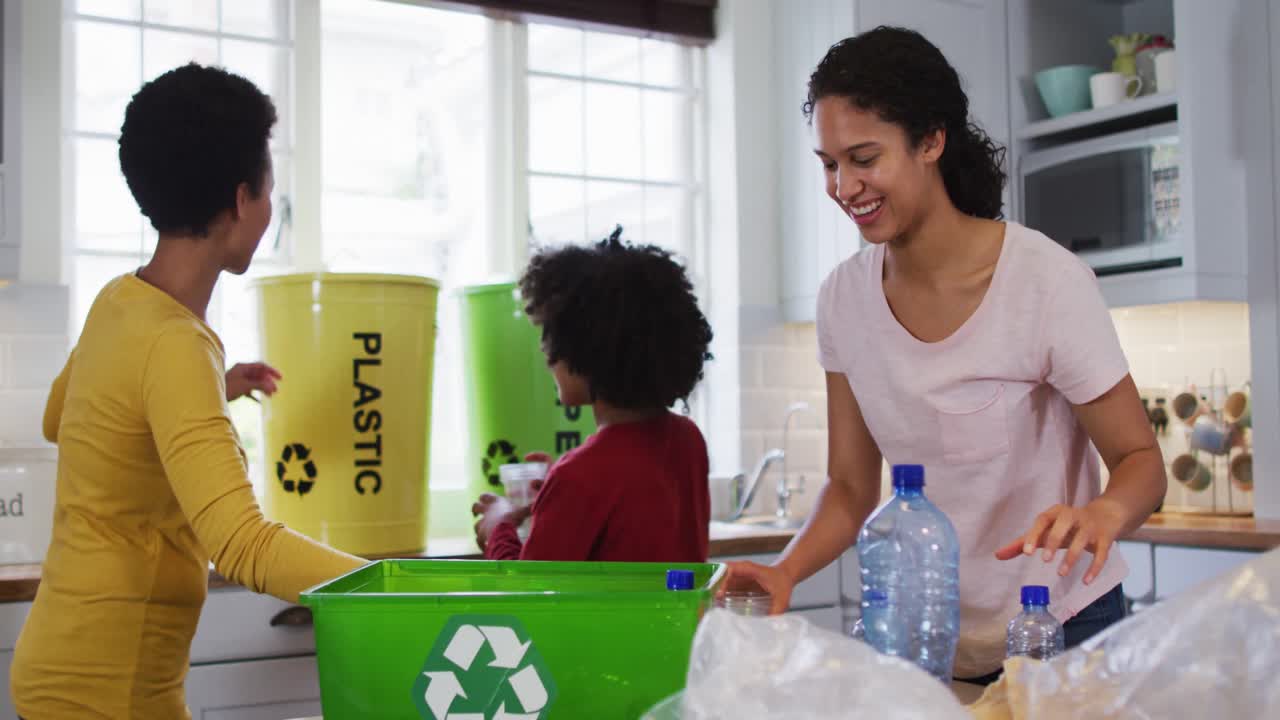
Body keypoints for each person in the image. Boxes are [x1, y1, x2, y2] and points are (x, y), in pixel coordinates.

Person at [726, 27, 1166, 684]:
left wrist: (1103, 511)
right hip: (927, 638)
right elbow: (850, 487)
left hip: (1062, 628)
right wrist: (784, 569)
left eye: (864, 157)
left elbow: (1141, 462)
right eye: (828, 163)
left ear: (931, 141)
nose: (844, 186)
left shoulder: (1045, 282)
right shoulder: (843, 301)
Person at [10, 64, 366, 718]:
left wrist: (207, 394)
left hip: (61, 667)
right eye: (269, 190)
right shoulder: (177, 344)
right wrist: (387, 585)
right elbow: (242, 543)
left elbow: (63, 416)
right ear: (240, 200)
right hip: (111, 692)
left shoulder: (119, 301)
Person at [472, 228, 714, 563]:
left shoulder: (579, 478)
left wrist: (497, 527)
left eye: (551, 335)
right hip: (683, 617)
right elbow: (630, 512)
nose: (546, 352)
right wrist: (554, 493)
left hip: (610, 621)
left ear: (585, 350)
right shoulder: (688, 440)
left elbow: (529, 595)